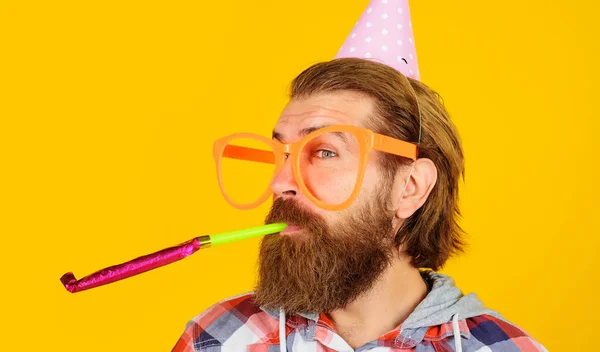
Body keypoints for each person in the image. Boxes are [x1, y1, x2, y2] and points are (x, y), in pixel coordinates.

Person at [171, 58, 546, 352]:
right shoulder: (217, 340)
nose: (281, 183)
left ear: (410, 187)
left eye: (325, 152)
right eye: (281, 155)